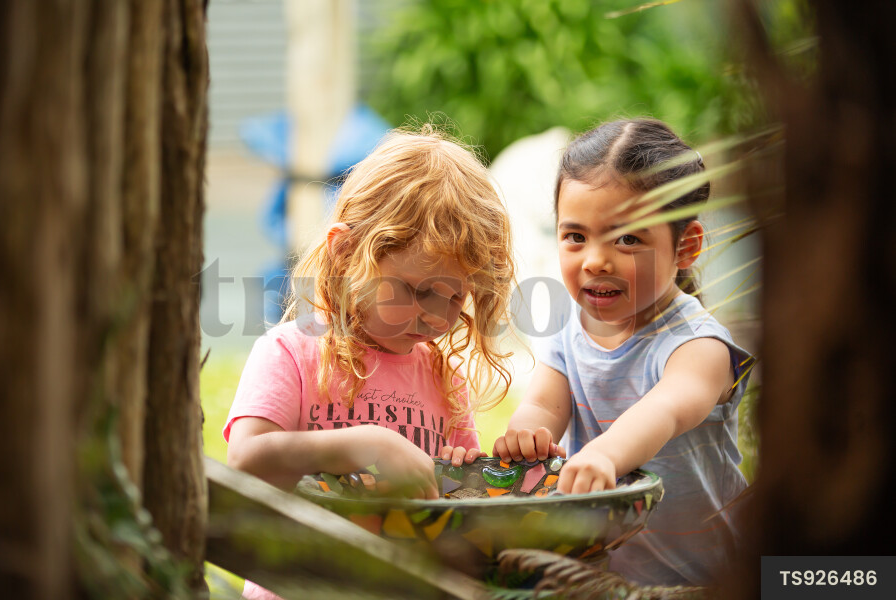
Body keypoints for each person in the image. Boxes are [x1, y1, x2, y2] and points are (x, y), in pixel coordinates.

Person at [451, 118, 754, 586]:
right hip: (599, 574)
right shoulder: (568, 330)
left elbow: (667, 408)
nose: (594, 259)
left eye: (628, 238)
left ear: (685, 246)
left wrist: (606, 454)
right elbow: (542, 406)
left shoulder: (699, 345)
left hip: (705, 578)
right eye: (575, 236)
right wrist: (525, 439)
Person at [224, 127, 515, 599]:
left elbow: (459, 507)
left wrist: (463, 472)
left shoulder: (443, 379)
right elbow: (245, 462)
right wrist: (364, 445)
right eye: (417, 290)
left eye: (455, 297)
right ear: (345, 251)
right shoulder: (291, 353)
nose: (438, 317)